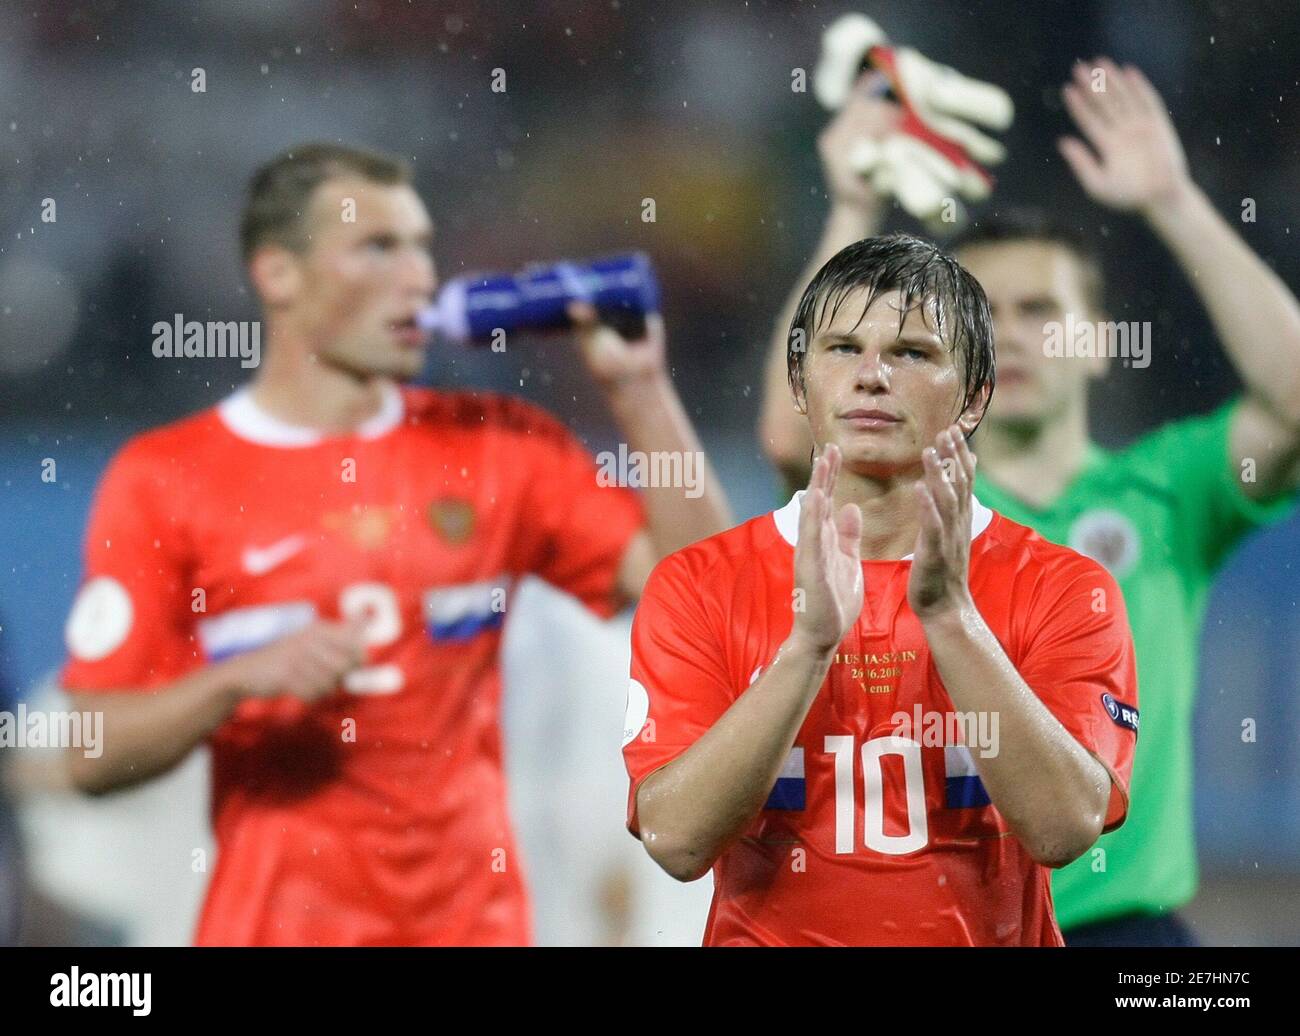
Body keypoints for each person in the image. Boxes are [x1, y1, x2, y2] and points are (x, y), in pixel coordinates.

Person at [59, 142, 732, 946]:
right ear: (278, 274)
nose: (418, 277)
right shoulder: (166, 479)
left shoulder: (496, 447)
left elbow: (708, 603)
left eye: (421, 247)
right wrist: (233, 683)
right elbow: (91, 757)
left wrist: (639, 389)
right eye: (378, 247)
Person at [760, 59, 1300, 944]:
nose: (1009, 335)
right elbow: (794, 433)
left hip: (1125, 932)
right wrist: (852, 209)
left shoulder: (1168, 491)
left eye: (1041, 310)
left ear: (1101, 342)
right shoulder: (898, 496)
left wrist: (1173, 201)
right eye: (980, 315)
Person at [625, 234, 1139, 945]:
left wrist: (951, 617)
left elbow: (1064, 829)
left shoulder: (1066, 589)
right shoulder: (698, 585)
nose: (871, 376)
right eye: (842, 349)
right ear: (800, 386)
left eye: (912, 353)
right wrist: (808, 648)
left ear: (974, 398)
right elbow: (675, 841)